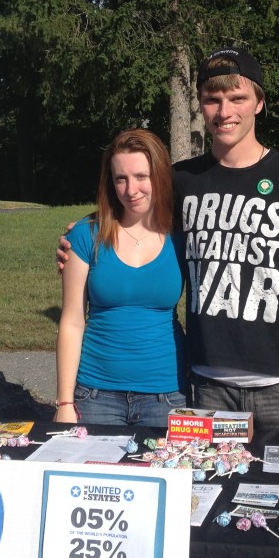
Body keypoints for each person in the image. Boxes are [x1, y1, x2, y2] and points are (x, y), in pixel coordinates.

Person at [60, 48, 279, 435]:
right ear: (201, 105)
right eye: (212, 100)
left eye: (238, 98)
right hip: (207, 389)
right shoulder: (182, 180)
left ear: (259, 103)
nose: (224, 111)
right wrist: (81, 232)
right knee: (210, 492)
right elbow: (131, 205)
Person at [54, 129, 188, 427]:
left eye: (142, 176)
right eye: (120, 179)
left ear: (160, 176)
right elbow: (72, 321)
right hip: (95, 396)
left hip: (167, 395)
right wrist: (64, 402)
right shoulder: (86, 234)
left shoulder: (183, 236)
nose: (131, 190)